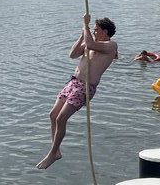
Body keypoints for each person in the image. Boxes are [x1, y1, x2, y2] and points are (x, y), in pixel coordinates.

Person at [36, 14, 117, 170]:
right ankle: (56, 150)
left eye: (96, 30)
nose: (93, 32)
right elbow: (72, 54)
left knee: (61, 119)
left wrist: (85, 26)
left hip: (85, 87)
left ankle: (52, 153)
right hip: (73, 82)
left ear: (105, 32)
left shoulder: (111, 46)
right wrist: (82, 34)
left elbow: (90, 43)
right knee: (53, 115)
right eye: (92, 30)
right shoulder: (90, 43)